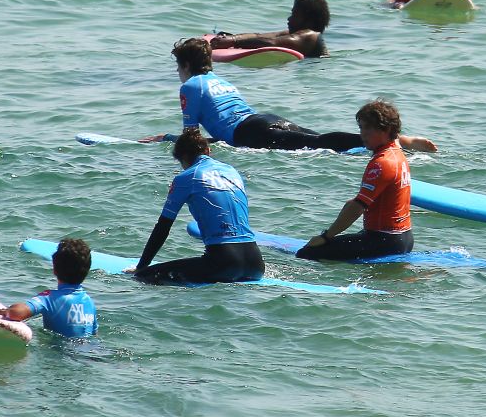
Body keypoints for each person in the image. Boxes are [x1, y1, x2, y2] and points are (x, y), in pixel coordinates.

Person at [144, 37, 437, 153]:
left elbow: (191, 137)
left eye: (177, 66)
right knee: (318, 140)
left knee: (319, 146)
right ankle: (394, 140)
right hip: (262, 119)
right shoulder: (220, 81)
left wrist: (163, 140)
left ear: (185, 65)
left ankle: (395, 141)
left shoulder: (189, 86)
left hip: (250, 133)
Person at [132, 129, 265, 284]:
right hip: (256, 265)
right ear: (208, 151)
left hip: (223, 264)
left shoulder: (187, 177)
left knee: (143, 278)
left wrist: (141, 268)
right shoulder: (232, 171)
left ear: (182, 158)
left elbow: (163, 227)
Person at [297, 100, 415, 261]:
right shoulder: (398, 155)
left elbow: (358, 208)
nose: (362, 134)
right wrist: (353, 204)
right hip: (404, 238)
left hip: (384, 241)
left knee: (306, 253)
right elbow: (364, 201)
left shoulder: (381, 163)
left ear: (386, 130)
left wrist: (325, 237)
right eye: (361, 128)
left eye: (368, 129)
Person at [0, 236, 98, 337]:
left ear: (54, 269)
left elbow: (17, 313)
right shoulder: (89, 302)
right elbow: (93, 334)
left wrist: (7, 311)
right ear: (87, 271)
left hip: (62, 352)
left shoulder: (50, 298)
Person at [209, 0, 330, 58]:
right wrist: (232, 38)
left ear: (309, 21)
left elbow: (271, 43)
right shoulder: (295, 34)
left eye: (294, 15)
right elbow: (260, 36)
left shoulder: (309, 35)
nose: (289, 19)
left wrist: (234, 43)